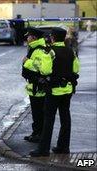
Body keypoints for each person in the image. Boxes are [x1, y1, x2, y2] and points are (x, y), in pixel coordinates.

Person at [30, 28, 80, 157]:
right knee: (65, 118)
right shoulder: (71, 51)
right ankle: (63, 147)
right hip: (68, 89)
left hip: (53, 90)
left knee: (49, 119)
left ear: (52, 38)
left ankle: (43, 149)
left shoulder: (50, 52)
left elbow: (45, 70)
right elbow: (76, 68)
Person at [22, 27, 53, 143]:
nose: (27, 38)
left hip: (39, 88)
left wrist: (27, 62)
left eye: (28, 36)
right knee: (36, 113)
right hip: (34, 87)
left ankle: (39, 135)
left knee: (39, 113)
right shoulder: (34, 48)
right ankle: (36, 133)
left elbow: (44, 69)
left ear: (34, 37)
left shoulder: (39, 50)